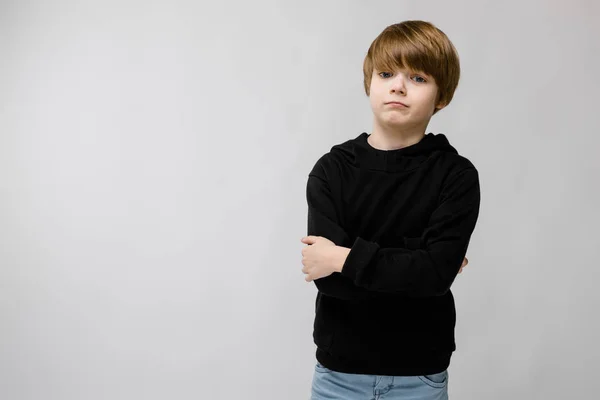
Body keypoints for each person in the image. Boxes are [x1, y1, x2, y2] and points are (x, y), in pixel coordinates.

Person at [300, 20, 481, 400]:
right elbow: (329, 280)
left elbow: (433, 276)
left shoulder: (456, 176)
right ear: (370, 84)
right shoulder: (332, 171)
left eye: (417, 77)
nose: (398, 85)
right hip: (338, 376)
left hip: (420, 377)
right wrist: (414, 264)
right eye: (386, 73)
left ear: (442, 96)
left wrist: (343, 257)